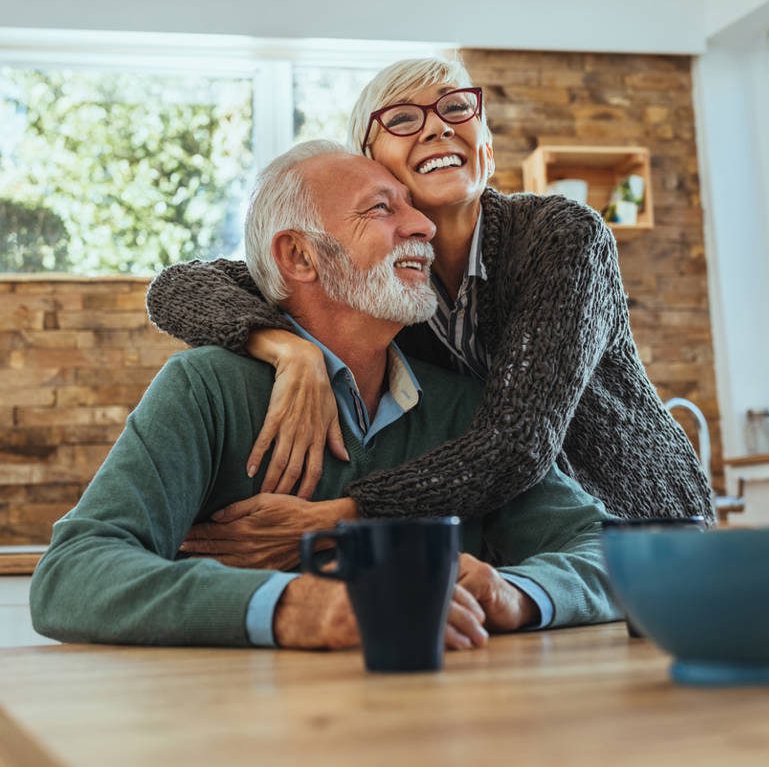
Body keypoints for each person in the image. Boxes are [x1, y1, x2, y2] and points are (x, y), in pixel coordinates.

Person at [29, 142, 619, 649]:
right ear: (299, 256)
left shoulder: (464, 408)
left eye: (412, 207)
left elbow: (608, 552)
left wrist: (514, 591)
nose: (423, 226)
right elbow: (72, 574)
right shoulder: (205, 388)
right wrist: (298, 607)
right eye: (382, 209)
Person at [146, 57, 713, 569]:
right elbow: (180, 286)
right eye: (402, 119)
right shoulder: (377, 281)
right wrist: (286, 347)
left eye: (456, 108)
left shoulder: (562, 237)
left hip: (637, 525)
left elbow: (516, 444)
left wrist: (336, 517)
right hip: (511, 549)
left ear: (486, 148)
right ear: (371, 166)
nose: (438, 126)